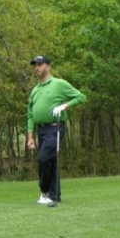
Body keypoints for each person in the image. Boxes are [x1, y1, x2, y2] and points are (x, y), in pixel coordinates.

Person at [26, 55, 86, 207]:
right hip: (41, 130)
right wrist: (30, 136)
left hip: (56, 128)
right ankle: (54, 195)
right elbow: (30, 114)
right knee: (51, 162)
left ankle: (44, 191)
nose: (37, 68)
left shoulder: (59, 84)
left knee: (44, 159)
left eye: (40, 65)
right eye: (35, 65)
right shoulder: (35, 90)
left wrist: (64, 106)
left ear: (48, 66)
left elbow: (80, 97)